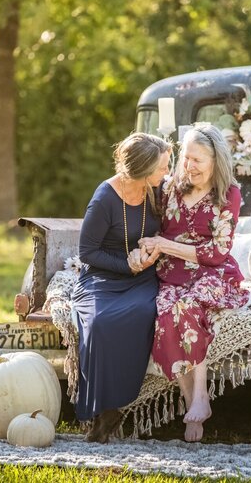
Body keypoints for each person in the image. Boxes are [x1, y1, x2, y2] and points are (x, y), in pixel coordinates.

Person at [139, 124, 249, 442]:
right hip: (170, 273)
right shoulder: (170, 189)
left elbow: (217, 252)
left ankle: (200, 394)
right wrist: (148, 248)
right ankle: (194, 405)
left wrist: (164, 245)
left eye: (197, 160)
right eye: (186, 158)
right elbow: (147, 224)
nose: (189, 166)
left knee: (189, 304)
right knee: (164, 312)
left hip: (213, 273)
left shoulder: (229, 194)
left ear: (216, 160)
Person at [71, 132, 172, 442]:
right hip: (103, 277)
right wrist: (125, 265)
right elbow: (87, 252)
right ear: (142, 169)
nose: (166, 173)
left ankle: (119, 403)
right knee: (99, 322)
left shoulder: (157, 191)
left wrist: (154, 253)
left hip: (143, 278)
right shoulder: (105, 198)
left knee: (141, 312)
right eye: (162, 167)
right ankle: (103, 410)